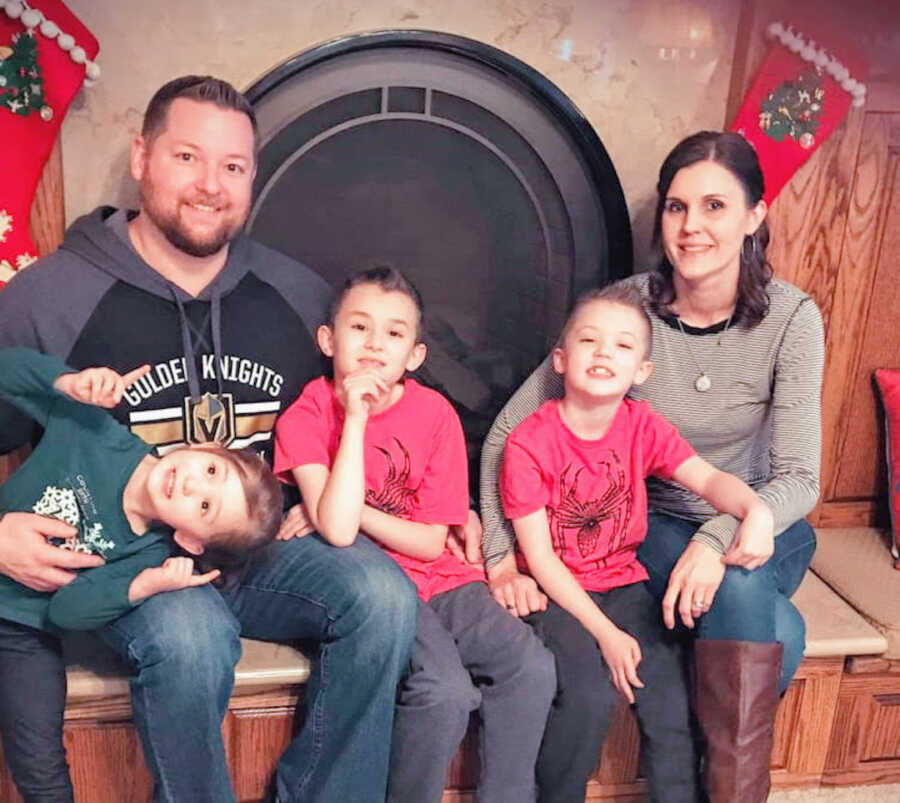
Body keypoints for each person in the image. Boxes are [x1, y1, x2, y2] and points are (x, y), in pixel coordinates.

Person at [0, 75, 418, 803]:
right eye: (187, 157)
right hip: (131, 557)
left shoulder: (300, 295)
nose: (210, 186)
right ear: (141, 157)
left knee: (383, 597)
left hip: (259, 549)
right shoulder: (48, 299)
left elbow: (376, 400)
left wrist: (453, 500)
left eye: (232, 166)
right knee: (190, 638)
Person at [480, 130, 823, 803]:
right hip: (651, 523)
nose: (692, 226)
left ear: (756, 216)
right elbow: (506, 435)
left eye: (716, 206)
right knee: (779, 631)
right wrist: (500, 554)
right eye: (676, 207)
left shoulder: (791, 318)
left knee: (745, 598)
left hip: (762, 521)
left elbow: (800, 479)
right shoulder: (626, 311)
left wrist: (717, 536)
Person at [273, 267, 555, 803]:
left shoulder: (435, 413)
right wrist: (353, 420)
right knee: (444, 692)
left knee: (531, 667)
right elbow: (335, 532)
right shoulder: (308, 414)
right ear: (328, 340)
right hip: (377, 582)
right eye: (360, 328)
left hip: (442, 576)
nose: (376, 345)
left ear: (416, 356)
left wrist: (345, 505)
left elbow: (429, 541)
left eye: (395, 333)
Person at [501, 281, 777, 802]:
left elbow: (708, 478)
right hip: (555, 594)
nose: (605, 352)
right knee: (585, 696)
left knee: (671, 699)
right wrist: (605, 634)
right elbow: (538, 557)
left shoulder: (641, 425)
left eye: (624, 345)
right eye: (589, 341)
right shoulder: (529, 442)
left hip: (625, 585)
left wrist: (753, 509)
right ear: (560, 359)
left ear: (641, 372)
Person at [0, 347, 282, 802]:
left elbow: (66, 610)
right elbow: (6, 370)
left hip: (19, 628)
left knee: (41, 770)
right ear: (204, 446)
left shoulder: (145, 554)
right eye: (211, 470)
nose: (192, 485)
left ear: (191, 541)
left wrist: (145, 585)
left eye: (205, 507)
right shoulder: (95, 429)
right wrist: (65, 382)